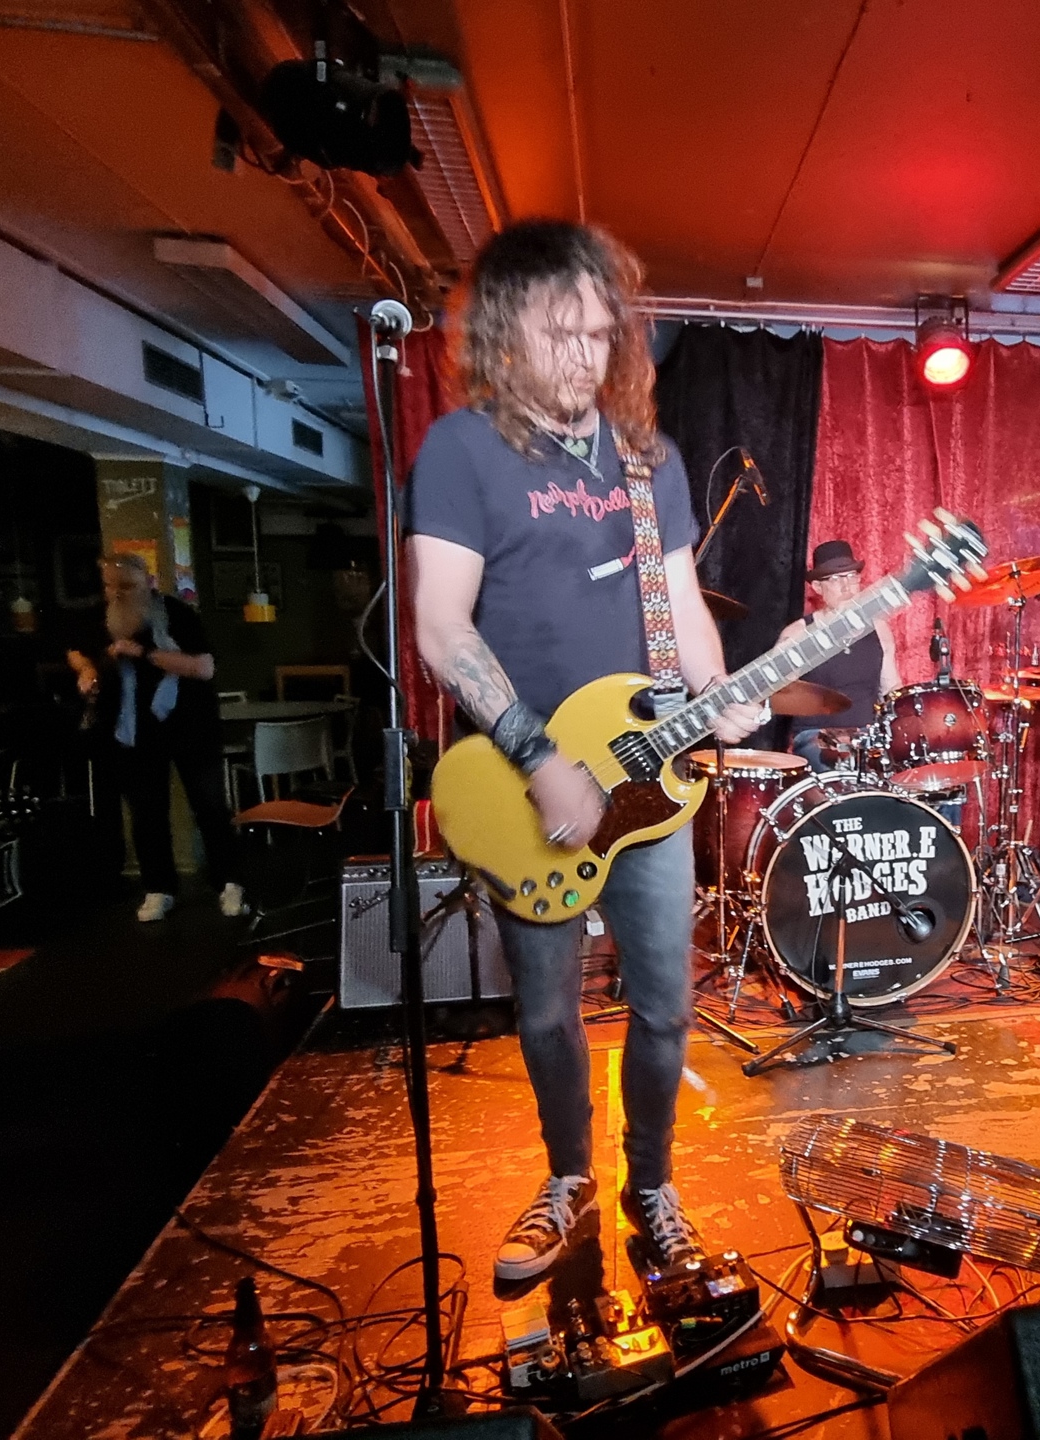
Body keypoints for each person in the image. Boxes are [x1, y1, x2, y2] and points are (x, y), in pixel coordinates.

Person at [410, 220, 769, 1282]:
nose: (586, 357)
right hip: (531, 784)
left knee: (666, 1005)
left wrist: (713, 694)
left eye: (601, 336)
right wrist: (534, 755)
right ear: (502, 335)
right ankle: (567, 1177)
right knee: (549, 1011)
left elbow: (681, 606)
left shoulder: (644, 461)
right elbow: (441, 625)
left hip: (648, 782)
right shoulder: (463, 451)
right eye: (561, 334)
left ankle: (649, 1182)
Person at [65, 554, 245, 923]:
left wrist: (144, 653)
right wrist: (85, 671)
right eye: (109, 586)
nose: (116, 594)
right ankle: (158, 888)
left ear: (146, 582)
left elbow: (204, 667)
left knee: (209, 807)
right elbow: (75, 650)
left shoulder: (175, 614)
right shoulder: (100, 617)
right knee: (146, 814)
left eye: (126, 586)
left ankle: (229, 882)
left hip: (190, 725)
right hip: (132, 731)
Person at [777, 539, 900, 770]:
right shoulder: (797, 634)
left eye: (852, 576)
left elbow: (891, 690)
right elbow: (779, 694)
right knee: (843, 765)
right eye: (835, 579)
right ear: (817, 587)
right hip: (816, 736)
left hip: (867, 736)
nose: (847, 586)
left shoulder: (879, 629)